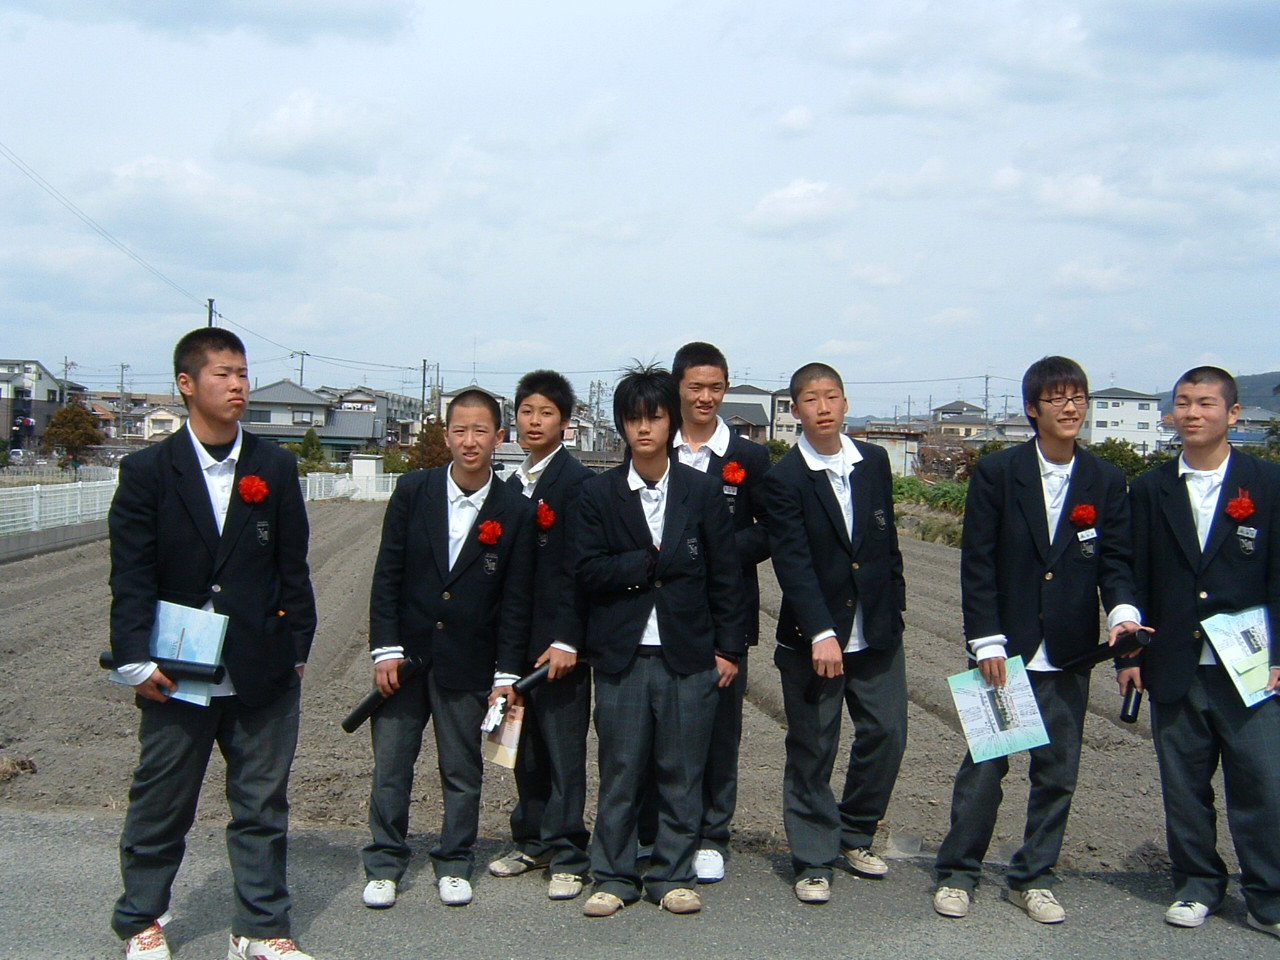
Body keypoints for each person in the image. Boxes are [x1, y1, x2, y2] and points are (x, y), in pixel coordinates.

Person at [108, 327, 318, 960]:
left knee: (262, 804)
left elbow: (293, 566)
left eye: (242, 373)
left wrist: (297, 648)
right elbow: (131, 574)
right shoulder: (147, 471)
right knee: (162, 800)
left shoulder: (273, 466)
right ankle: (141, 920)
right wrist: (133, 659)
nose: (237, 385)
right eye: (223, 373)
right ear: (186, 384)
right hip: (176, 668)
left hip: (261, 665)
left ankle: (259, 928)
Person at [933, 355, 1143, 924]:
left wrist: (1123, 614)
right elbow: (978, 562)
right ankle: (958, 872)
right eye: (1057, 398)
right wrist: (987, 640)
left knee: (1057, 773)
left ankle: (1034, 877)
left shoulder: (1104, 478)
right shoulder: (999, 473)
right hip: (1005, 650)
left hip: (1071, 651)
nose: (1070, 408)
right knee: (985, 770)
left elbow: (1115, 561)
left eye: (1078, 397)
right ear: (1032, 408)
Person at [572, 365, 744, 917]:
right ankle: (613, 876)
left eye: (655, 417)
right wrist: (642, 562)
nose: (644, 428)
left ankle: (673, 874)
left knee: (682, 772)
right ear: (621, 425)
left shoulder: (702, 490)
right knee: (620, 770)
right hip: (622, 656)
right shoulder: (598, 493)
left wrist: (728, 650)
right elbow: (586, 570)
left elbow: (726, 576)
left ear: (672, 422)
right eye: (633, 419)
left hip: (688, 655)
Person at [361, 390, 534, 909]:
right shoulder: (414, 491)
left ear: (499, 438)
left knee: (462, 769)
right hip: (406, 659)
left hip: (470, 660)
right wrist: (385, 649)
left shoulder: (514, 509)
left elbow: (515, 601)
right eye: (460, 430)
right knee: (392, 765)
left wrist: (506, 674)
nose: (469, 441)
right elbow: (387, 574)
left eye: (481, 431)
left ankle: (455, 860)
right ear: (446, 436)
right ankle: (384, 861)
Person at [1125, 366, 1280, 939]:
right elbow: (1132, 574)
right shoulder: (1150, 489)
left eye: (1206, 403)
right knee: (1184, 786)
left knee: (1262, 784)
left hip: (1252, 666)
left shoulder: (1267, 484)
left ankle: (1268, 896)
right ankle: (1196, 885)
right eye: (1184, 403)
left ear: (1233, 414)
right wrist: (1130, 657)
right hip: (1174, 661)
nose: (1193, 413)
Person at [760, 362, 906, 905]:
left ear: (846, 403)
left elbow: (886, 542)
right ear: (795, 410)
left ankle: (855, 831)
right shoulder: (784, 478)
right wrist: (821, 631)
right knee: (813, 747)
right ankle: (813, 858)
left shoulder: (873, 462)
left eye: (831, 397)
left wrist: (895, 607)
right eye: (810, 399)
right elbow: (792, 562)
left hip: (877, 631)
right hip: (815, 639)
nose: (823, 408)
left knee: (888, 734)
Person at [486, 370, 595, 901]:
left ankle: (569, 850)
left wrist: (568, 638)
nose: (535, 421)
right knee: (523, 747)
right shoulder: (511, 485)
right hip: (517, 643)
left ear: (565, 423)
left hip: (561, 647)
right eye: (527, 411)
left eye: (546, 413)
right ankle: (531, 840)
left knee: (563, 749)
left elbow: (580, 571)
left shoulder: (578, 484)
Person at [666, 341, 771, 883]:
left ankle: (713, 833)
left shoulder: (748, 458)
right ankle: (662, 829)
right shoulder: (656, 445)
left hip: (726, 610)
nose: (705, 397)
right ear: (678, 388)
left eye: (715, 387)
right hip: (663, 609)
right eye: (695, 387)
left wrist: (715, 552)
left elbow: (769, 529)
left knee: (721, 728)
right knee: (661, 725)